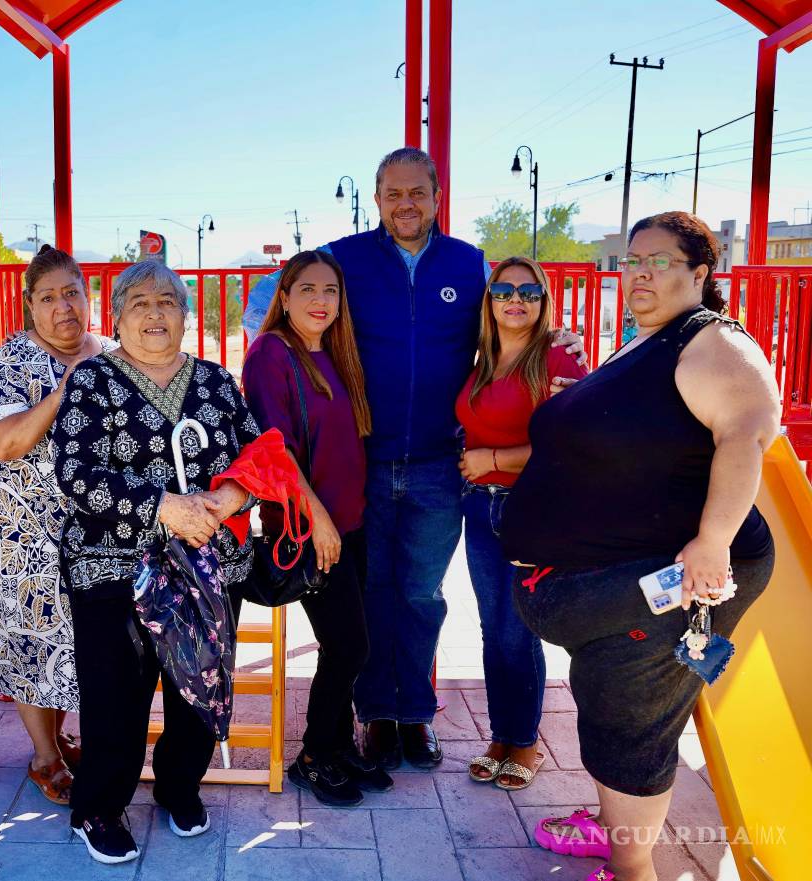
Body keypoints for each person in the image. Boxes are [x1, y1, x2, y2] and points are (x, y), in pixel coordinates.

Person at [244, 147, 582, 771]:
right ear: (377, 199)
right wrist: (273, 347)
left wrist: (551, 337)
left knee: (422, 594)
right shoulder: (345, 258)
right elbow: (267, 302)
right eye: (393, 193)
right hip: (365, 462)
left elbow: (506, 322)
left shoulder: (467, 262)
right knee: (375, 592)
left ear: (436, 197)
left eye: (417, 193)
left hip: (438, 463)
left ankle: (415, 715)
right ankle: (375, 715)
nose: (405, 204)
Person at [501, 212, 779, 881]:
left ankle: (632, 868)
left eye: (659, 261)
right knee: (611, 702)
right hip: (615, 572)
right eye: (632, 261)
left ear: (701, 274)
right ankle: (617, 824)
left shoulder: (712, 341)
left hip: (672, 573)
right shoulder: (646, 342)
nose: (641, 273)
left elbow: (747, 430)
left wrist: (712, 542)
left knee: (632, 723)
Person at [53, 260, 256, 865]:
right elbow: (75, 474)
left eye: (167, 300)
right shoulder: (91, 379)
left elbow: (255, 459)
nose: (154, 312)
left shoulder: (218, 382)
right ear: (115, 317)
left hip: (208, 559)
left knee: (198, 686)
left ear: (186, 313)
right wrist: (162, 506)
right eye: (138, 302)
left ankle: (178, 786)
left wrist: (225, 498)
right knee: (116, 694)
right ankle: (99, 807)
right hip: (113, 564)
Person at [242, 251, 392, 806]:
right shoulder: (270, 355)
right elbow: (271, 450)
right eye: (306, 289)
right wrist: (319, 519)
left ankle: (334, 745)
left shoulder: (332, 352)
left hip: (350, 522)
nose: (320, 300)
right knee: (349, 646)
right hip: (307, 528)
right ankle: (313, 755)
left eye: (330, 290)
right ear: (284, 295)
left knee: (348, 644)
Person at [0, 246, 113, 804]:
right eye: (50, 297)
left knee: (83, 644)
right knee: (35, 646)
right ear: (30, 305)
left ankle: (69, 739)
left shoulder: (110, 352)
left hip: (100, 535)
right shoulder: (9, 362)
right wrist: (64, 391)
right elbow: (4, 441)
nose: (64, 307)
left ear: (88, 297)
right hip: (27, 536)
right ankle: (46, 756)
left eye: (72, 293)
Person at [454, 257, 587, 791]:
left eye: (528, 292)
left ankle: (525, 740)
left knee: (517, 629)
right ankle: (501, 734)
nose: (516, 299)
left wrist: (493, 458)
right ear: (489, 300)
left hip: (527, 510)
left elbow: (574, 446)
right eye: (504, 290)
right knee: (492, 627)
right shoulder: (481, 358)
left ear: (543, 299)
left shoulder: (558, 356)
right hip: (477, 509)